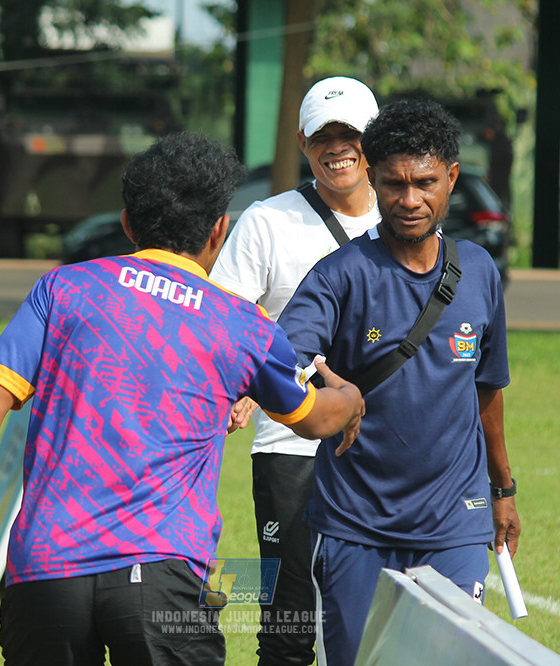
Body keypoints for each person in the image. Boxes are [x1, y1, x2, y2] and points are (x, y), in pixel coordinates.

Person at [0, 132, 365, 666]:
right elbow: (312, 419)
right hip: (163, 577)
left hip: (45, 571)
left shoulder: (63, 289)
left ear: (127, 223)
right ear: (220, 229)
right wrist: (351, 398)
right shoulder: (243, 324)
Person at [277, 99, 520, 665]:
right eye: (394, 184)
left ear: (452, 179)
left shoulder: (480, 271)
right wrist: (328, 393)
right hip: (355, 524)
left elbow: (488, 389)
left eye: (426, 183)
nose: (410, 199)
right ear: (372, 177)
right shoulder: (341, 275)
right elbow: (282, 355)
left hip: (454, 525)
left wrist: (503, 492)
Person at [209, 76, 379, 666]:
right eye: (322, 136)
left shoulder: (406, 213)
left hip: (387, 450)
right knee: (287, 624)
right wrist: (248, 387)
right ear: (302, 142)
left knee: (375, 617)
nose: (337, 148)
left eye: (350, 134)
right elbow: (223, 324)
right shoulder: (266, 220)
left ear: (373, 140)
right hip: (291, 445)